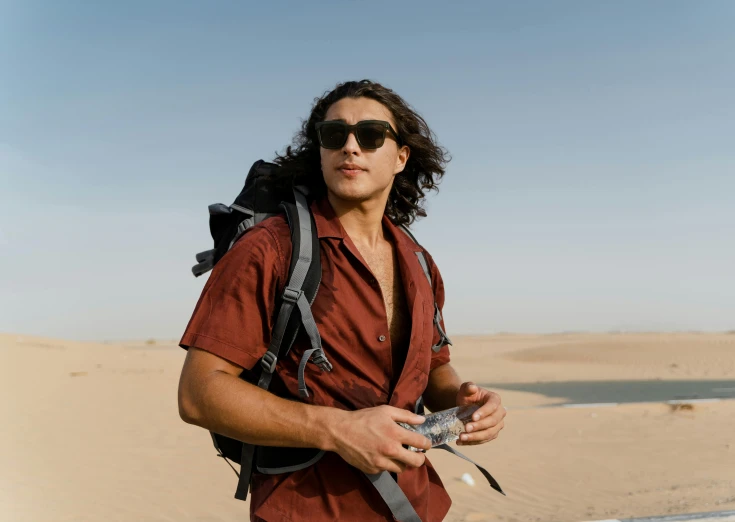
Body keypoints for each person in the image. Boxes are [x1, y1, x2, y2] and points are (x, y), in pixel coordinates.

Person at [177, 79, 505, 522]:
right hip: (308, 509)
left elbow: (432, 366)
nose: (350, 147)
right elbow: (198, 393)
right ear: (320, 151)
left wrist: (466, 403)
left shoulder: (419, 262)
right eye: (334, 135)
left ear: (401, 157)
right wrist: (338, 429)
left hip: (415, 505)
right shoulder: (270, 249)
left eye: (371, 135)